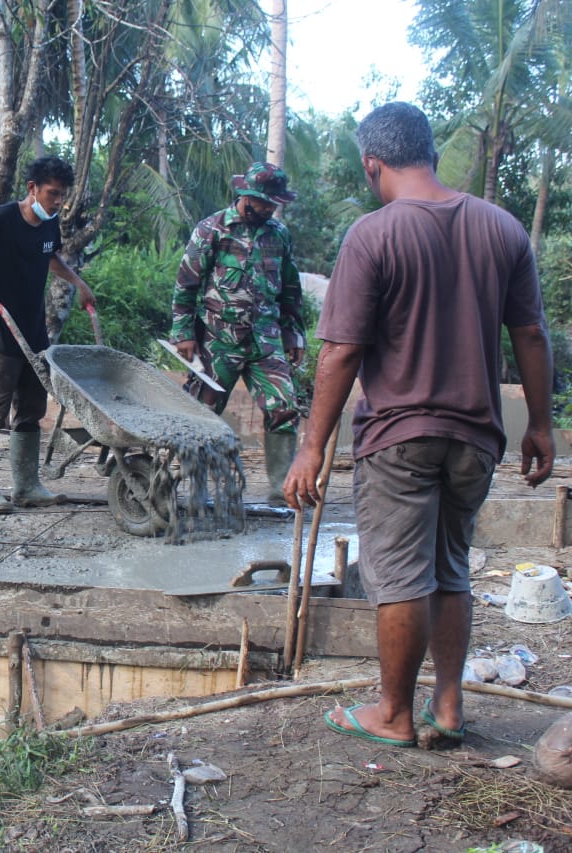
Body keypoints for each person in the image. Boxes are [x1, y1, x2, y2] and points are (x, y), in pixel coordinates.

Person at [283, 102, 554, 748]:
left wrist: (312, 447)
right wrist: (541, 424)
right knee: (450, 566)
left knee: (401, 574)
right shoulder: (503, 229)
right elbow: (530, 334)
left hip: (399, 436)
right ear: (430, 152)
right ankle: (450, 704)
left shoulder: (373, 235)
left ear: (373, 164)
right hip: (475, 437)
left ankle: (394, 713)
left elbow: (341, 350)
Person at [0, 156, 96, 514]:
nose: (58, 202)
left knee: (31, 409)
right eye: (52, 194)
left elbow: (50, 258)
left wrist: (79, 282)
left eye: (62, 195)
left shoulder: (49, 225)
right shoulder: (0, 219)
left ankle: (27, 485)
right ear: (33, 189)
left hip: (33, 332)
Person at [169, 162, 305, 506]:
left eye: (275, 203)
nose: (271, 209)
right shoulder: (211, 230)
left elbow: (290, 288)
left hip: (266, 341)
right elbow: (186, 285)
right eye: (266, 203)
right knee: (202, 412)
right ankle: (196, 491)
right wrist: (183, 332)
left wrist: (294, 334)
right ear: (248, 197)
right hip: (219, 340)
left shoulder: (279, 234)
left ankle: (280, 490)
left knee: (284, 406)